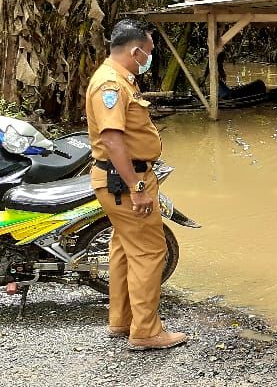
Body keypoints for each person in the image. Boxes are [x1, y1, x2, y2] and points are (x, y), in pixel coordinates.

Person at [85, 19, 188, 350]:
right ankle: (146, 333)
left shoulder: (116, 80)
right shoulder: (111, 85)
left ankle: (122, 320)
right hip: (127, 181)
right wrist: (137, 187)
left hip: (119, 181)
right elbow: (113, 140)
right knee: (149, 252)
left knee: (124, 250)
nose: (151, 57)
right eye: (150, 51)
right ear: (136, 50)